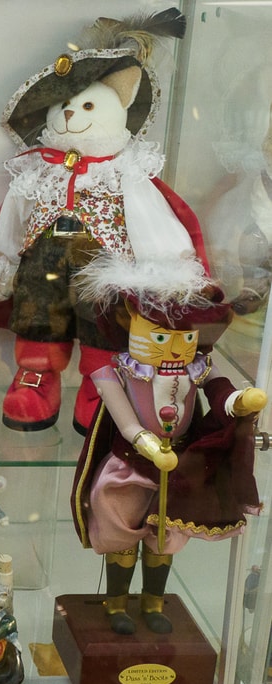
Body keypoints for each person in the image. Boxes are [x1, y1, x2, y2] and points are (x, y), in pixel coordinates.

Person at [72, 259, 265, 634]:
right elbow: (126, 422)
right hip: (130, 465)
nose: (175, 350)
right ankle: (116, 604)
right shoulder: (116, 373)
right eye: (161, 338)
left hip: (180, 465)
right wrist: (147, 445)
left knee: (165, 537)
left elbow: (218, 391)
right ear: (129, 321)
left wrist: (239, 402)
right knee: (123, 533)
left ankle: (153, 602)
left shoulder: (197, 366)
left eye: (185, 339)